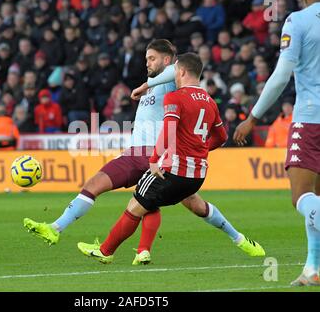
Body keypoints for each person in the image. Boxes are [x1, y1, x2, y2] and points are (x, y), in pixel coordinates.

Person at [24, 40, 264, 264]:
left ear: (169, 61)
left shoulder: (172, 82)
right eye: (146, 59)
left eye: (152, 58)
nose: (147, 63)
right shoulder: (164, 85)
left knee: (112, 190)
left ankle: (67, 232)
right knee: (184, 204)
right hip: (149, 155)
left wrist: (145, 84)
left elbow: (180, 71)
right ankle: (234, 239)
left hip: (151, 155)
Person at [75, 53, 247, 263]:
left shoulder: (175, 97)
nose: (173, 75)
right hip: (197, 176)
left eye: (175, 71)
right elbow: (221, 137)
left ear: (181, 72)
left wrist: (155, 158)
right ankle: (142, 251)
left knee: (136, 203)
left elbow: (168, 129)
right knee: (150, 203)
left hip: (173, 170)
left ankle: (106, 251)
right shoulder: (210, 102)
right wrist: (199, 151)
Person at [233, 0, 320, 286]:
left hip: (310, 119)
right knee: (317, 200)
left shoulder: (297, 21)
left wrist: (253, 117)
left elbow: (282, 74)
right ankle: (313, 267)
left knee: (302, 197)